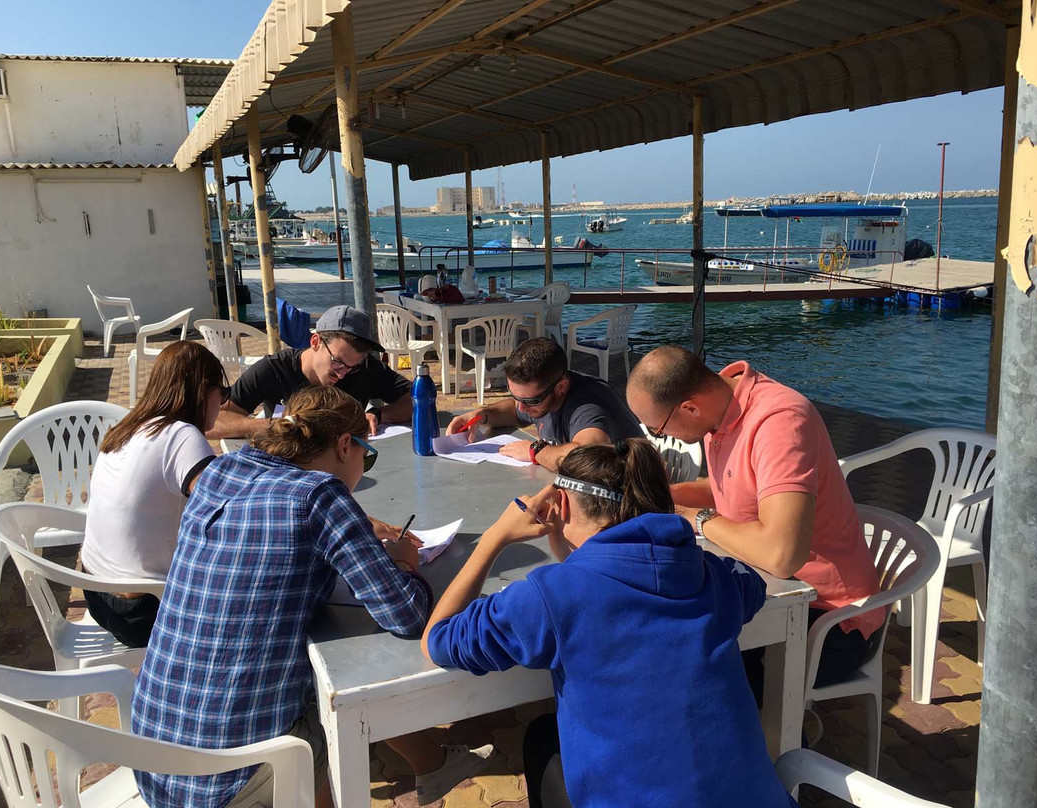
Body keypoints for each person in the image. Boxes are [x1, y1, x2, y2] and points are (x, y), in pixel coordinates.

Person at [131, 387, 491, 808]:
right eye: (366, 455)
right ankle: (426, 765)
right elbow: (406, 613)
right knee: (330, 699)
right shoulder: (319, 494)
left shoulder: (219, 470)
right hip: (231, 778)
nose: (363, 466)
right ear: (344, 445)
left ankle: (431, 763)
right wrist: (404, 561)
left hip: (155, 758)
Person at [422, 440, 796, 808]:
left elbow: (438, 641)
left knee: (541, 737)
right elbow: (751, 583)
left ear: (562, 503)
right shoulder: (710, 577)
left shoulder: (552, 596)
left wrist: (494, 538)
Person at [625, 345, 885, 691]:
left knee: (687, 663)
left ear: (689, 407)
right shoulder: (718, 413)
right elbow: (733, 487)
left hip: (831, 620)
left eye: (658, 429)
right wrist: (662, 496)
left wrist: (698, 518)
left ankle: (780, 738)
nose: (662, 437)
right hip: (771, 590)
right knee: (663, 626)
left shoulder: (779, 423)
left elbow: (781, 555)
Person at [80, 341, 227, 648]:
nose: (222, 403)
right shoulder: (181, 435)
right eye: (222, 393)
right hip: (142, 613)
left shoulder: (129, 426)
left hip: (95, 594)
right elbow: (226, 510)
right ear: (203, 390)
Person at [207, 304, 411, 440]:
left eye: (352, 367)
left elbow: (417, 400)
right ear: (315, 342)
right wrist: (277, 425)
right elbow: (213, 422)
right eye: (337, 363)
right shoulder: (274, 369)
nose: (342, 374)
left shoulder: (364, 368)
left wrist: (378, 414)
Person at [445, 337, 642, 471]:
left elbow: (588, 455)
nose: (522, 407)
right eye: (516, 396)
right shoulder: (541, 397)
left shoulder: (587, 405)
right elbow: (514, 412)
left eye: (530, 401)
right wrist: (479, 416)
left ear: (561, 387)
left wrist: (536, 451)